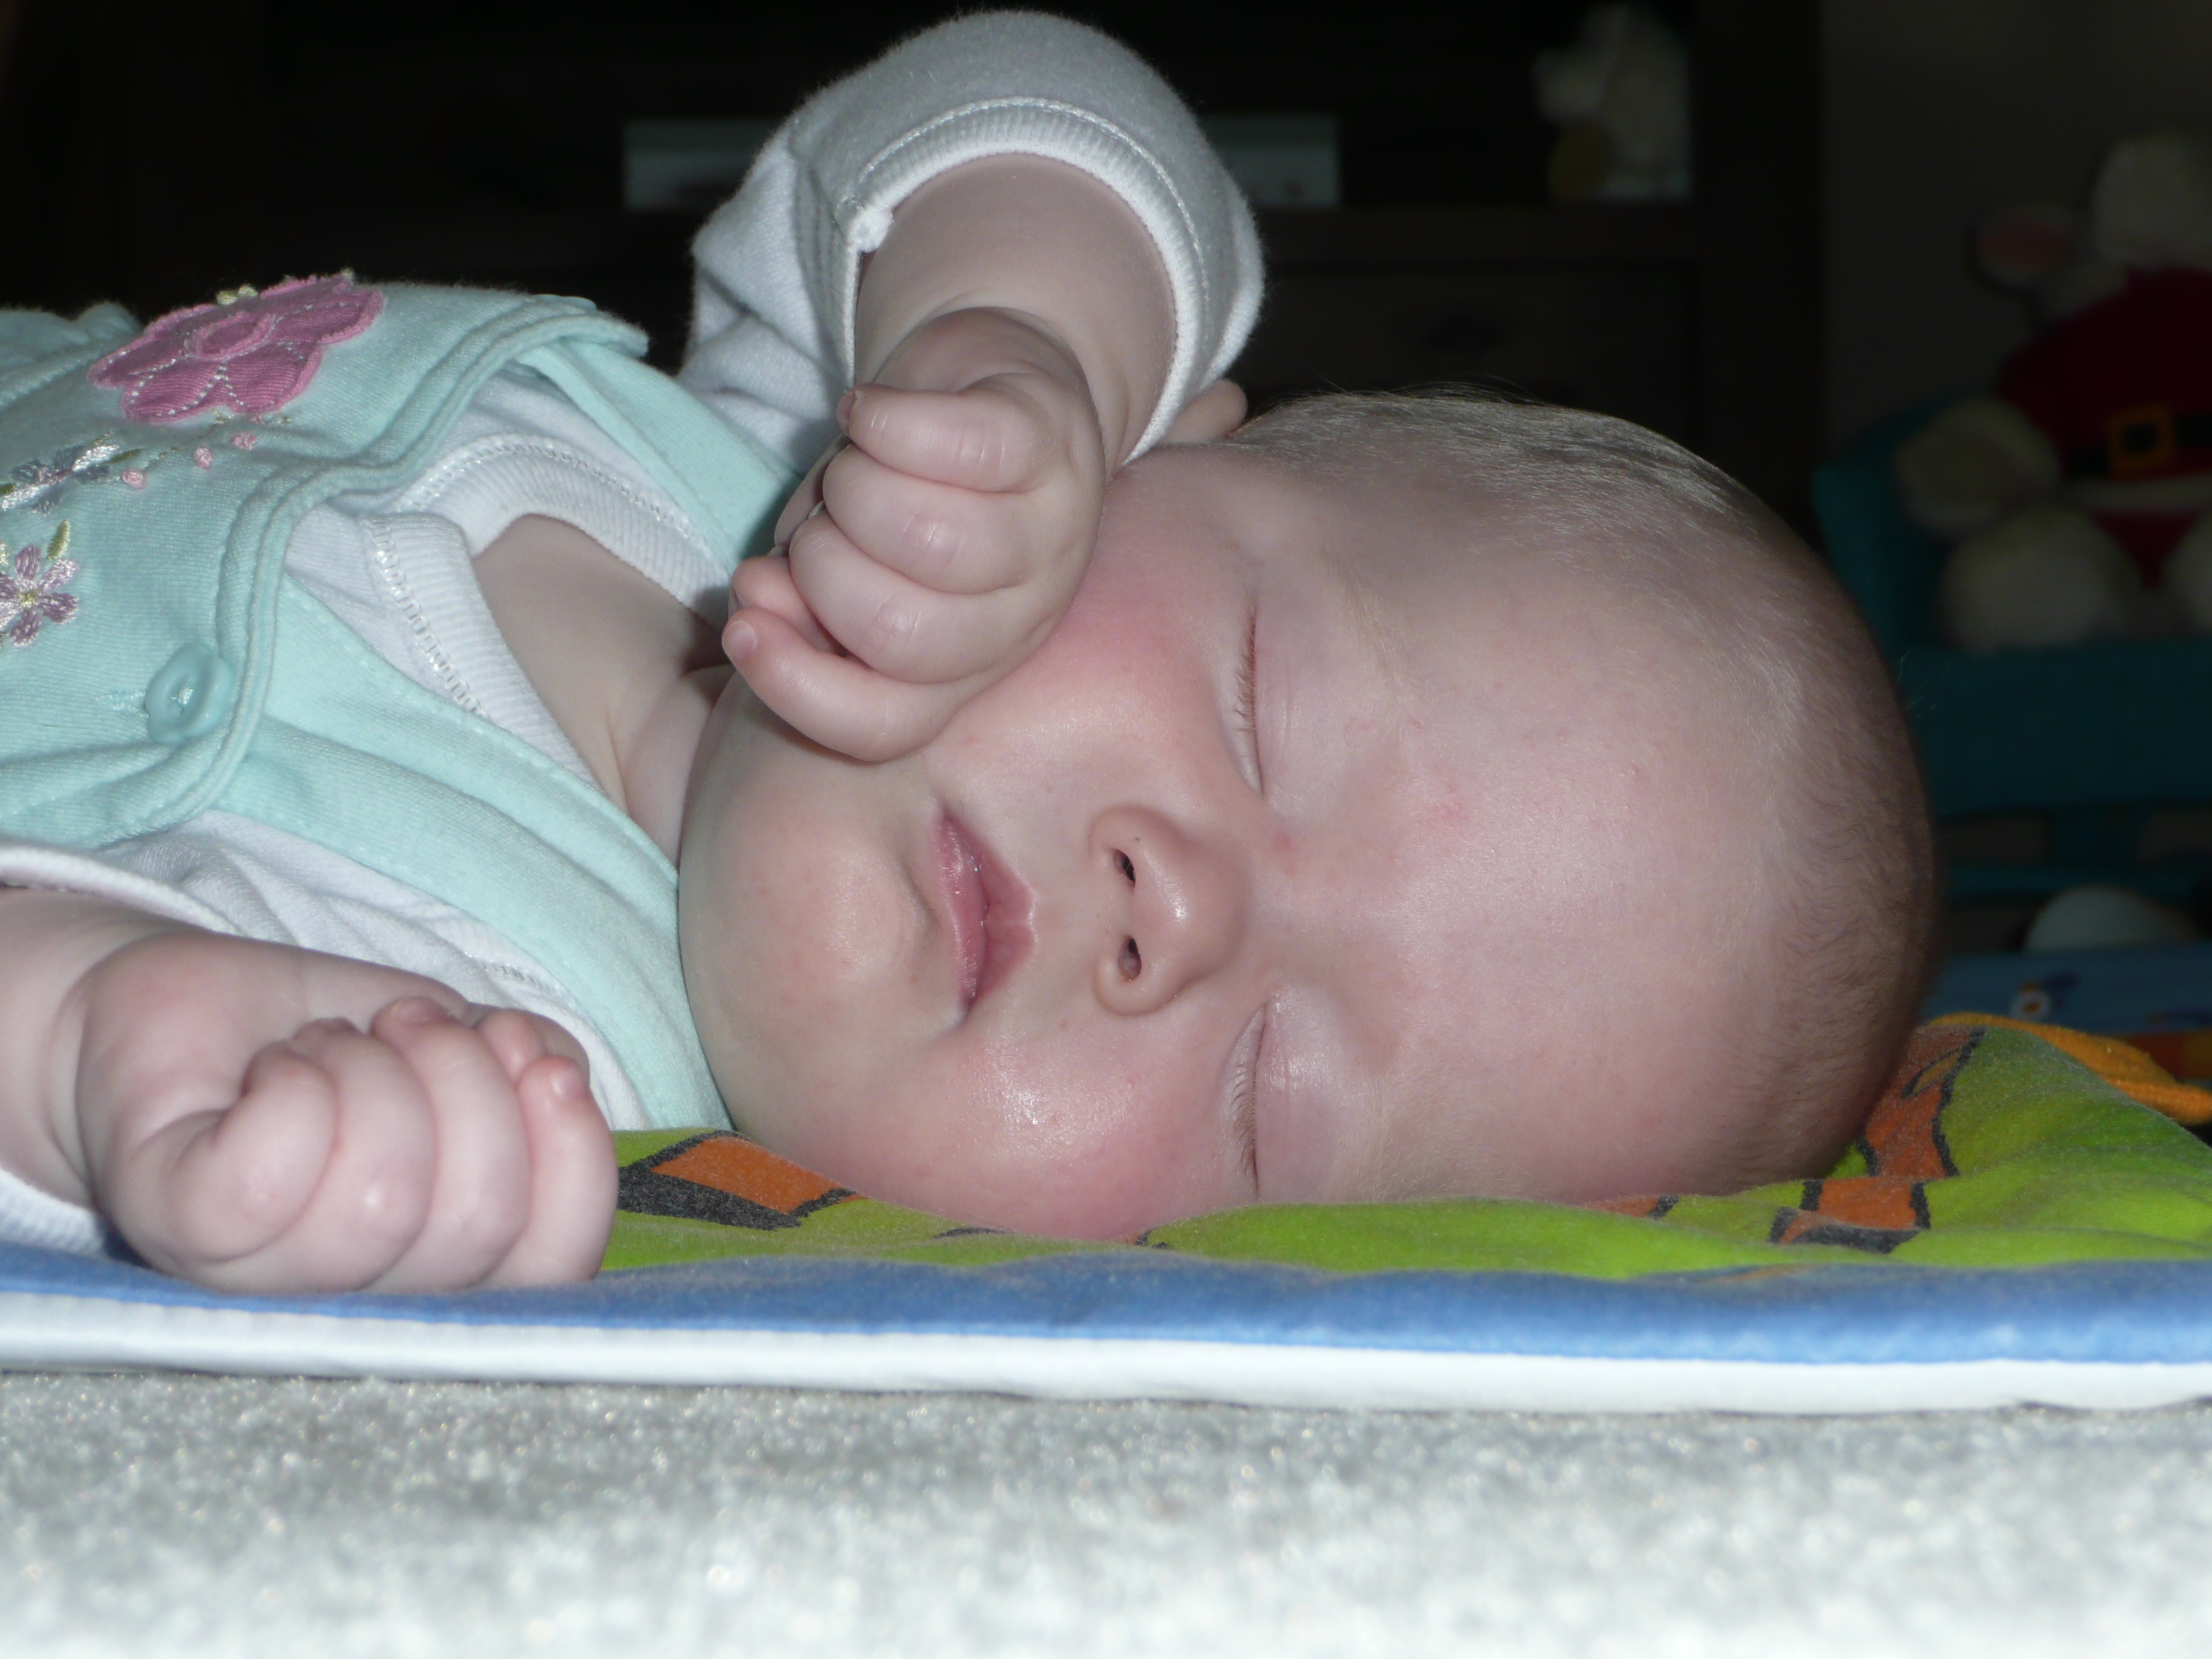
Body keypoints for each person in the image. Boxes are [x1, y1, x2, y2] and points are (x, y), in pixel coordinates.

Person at [0, 12, 1934, 1292]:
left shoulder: (458, 1042)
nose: (1175, 912)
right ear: (1166, 444)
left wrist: (110, 1049)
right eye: (1265, 708)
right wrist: (1023, 342)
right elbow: (1019, 104)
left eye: (1271, 1095)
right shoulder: (781, 457)